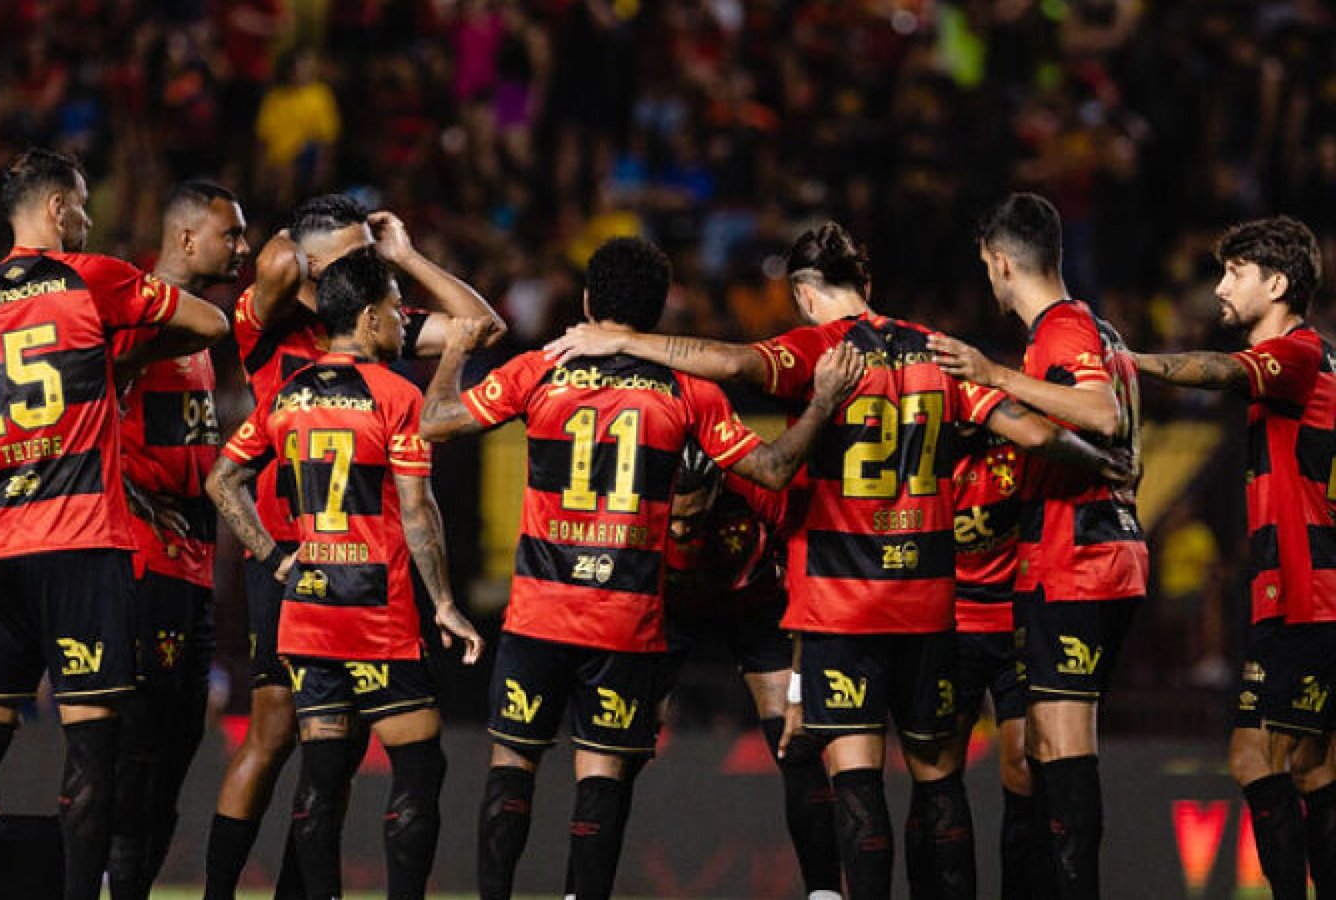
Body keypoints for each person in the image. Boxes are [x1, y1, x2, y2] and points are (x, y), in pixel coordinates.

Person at [542, 222, 1128, 900]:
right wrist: (1100, 462)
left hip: (844, 607)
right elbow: (1030, 431)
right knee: (939, 783)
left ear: (803, 293)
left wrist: (624, 340)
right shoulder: (935, 350)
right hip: (927, 604)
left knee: (857, 783)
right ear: (865, 282)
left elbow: (731, 363)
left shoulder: (818, 347)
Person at [421, 236, 865, 900]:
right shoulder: (689, 390)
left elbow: (435, 422)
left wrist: (456, 349)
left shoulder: (541, 368)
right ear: (659, 312)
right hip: (625, 616)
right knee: (603, 777)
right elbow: (773, 468)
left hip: (543, 609)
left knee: (513, 764)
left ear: (586, 302)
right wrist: (823, 404)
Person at [0, 147, 228, 900]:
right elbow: (211, 321)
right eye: (84, 205)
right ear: (58, 207)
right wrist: (117, 367)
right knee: (92, 755)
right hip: (78, 542)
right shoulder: (89, 277)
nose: (89, 220)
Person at [205, 193, 504, 900]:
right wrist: (317, 244)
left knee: (331, 756)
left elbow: (483, 326)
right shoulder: (268, 320)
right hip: (286, 548)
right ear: (311, 260)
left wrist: (403, 257)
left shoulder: (377, 321)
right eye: (352, 254)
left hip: (345, 556)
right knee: (275, 735)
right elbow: (277, 262)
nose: (365, 264)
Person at [930, 193, 1147, 900]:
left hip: (1076, 560)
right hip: (1099, 553)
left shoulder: (1060, 328)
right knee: (1046, 753)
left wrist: (993, 376)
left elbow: (1100, 412)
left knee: (1061, 752)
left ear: (1000, 263)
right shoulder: (1098, 330)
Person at [1130, 216, 1336, 898]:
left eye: (1236, 273)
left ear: (1277, 285)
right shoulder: (1312, 365)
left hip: (1308, 597)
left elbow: (1220, 370)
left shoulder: (1297, 355)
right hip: (1305, 592)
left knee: (1254, 757)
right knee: (1313, 766)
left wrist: (1134, 362)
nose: (1220, 287)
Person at [106, 180, 250, 900]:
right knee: (137, 752)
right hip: (145, 564)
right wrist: (126, 493)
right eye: (232, 234)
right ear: (188, 238)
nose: (242, 248)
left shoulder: (194, 330)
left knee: (178, 750)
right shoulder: (137, 311)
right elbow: (91, 406)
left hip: (190, 563)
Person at [662, 444, 842, 900]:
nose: (680, 530)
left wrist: (799, 686)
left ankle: (824, 893)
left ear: (717, 487)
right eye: (672, 518)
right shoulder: (636, 489)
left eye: (692, 516)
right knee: (618, 745)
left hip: (754, 607)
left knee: (795, 746)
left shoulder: (757, 485)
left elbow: (805, 569)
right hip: (670, 608)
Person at [947, 428, 1037, 896]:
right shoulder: (926, 449)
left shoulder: (1019, 443)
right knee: (940, 772)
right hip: (949, 621)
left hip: (1015, 619)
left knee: (1023, 765)